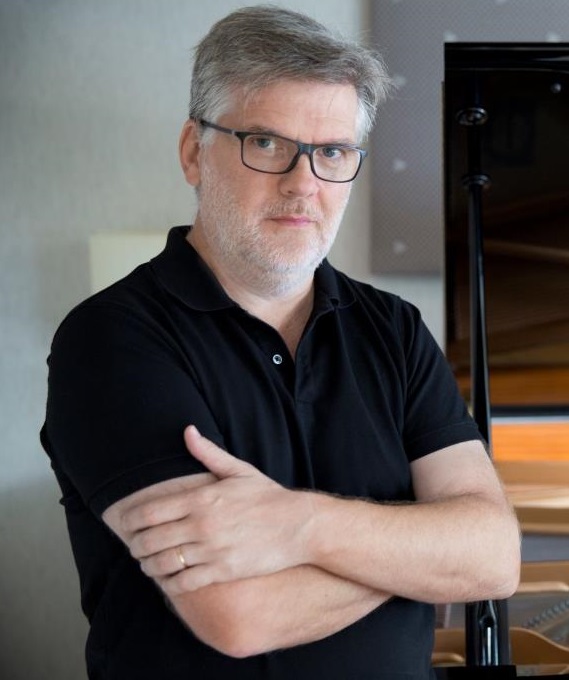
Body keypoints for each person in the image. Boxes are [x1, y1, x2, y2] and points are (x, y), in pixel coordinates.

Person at [41, 5, 520, 679]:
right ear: (193, 152)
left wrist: (299, 525)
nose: (304, 184)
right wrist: (418, 553)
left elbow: (493, 557)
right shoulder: (110, 338)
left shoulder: (395, 329)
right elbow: (240, 616)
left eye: (332, 152)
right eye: (266, 143)